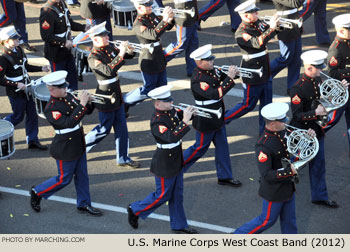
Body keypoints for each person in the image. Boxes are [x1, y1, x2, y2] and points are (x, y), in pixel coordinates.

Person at [30, 70, 103, 216]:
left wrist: (89, 103)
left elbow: (84, 112)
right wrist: (82, 105)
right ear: (51, 89)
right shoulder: (51, 108)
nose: (65, 89)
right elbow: (69, 123)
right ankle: (38, 192)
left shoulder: (68, 96)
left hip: (78, 142)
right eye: (61, 87)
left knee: (82, 176)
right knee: (64, 179)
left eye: (64, 86)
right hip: (65, 147)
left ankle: (84, 204)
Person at [127, 85, 198, 234]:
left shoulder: (169, 111)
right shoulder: (156, 121)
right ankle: (135, 209)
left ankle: (179, 225)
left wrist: (192, 113)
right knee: (162, 195)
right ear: (157, 103)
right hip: (165, 162)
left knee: (177, 194)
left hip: (176, 158)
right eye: (167, 101)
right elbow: (171, 137)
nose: (171, 103)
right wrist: (185, 120)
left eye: (170, 99)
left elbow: (179, 116)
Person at [289, 50, 347, 208]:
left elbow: (325, 95)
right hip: (303, 132)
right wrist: (314, 113)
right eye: (318, 68)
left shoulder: (318, 80)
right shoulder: (297, 89)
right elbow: (297, 116)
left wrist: (340, 88)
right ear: (309, 68)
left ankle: (319, 196)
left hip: (316, 129)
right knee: (295, 161)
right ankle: (274, 179)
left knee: (319, 165)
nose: (322, 70)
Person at [234, 102, 302, 234]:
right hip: (274, 191)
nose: (285, 122)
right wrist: (289, 171)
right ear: (272, 124)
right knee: (266, 221)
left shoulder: (282, 132)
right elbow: (266, 174)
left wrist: (308, 137)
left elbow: (291, 147)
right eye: (282, 121)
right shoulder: (263, 145)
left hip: (288, 187)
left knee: (290, 222)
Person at [182, 44, 242, 187]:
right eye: (208, 60)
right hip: (205, 118)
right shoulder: (198, 79)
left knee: (222, 147)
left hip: (217, 116)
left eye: (211, 59)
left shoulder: (212, 70)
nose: (212, 62)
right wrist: (230, 78)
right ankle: (176, 167)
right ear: (199, 62)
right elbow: (215, 94)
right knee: (200, 148)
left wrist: (235, 72)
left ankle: (225, 176)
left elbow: (224, 77)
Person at [84, 22, 140, 168]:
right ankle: (81, 146)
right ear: (95, 39)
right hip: (105, 94)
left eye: (106, 35)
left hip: (116, 92)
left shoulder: (109, 47)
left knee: (122, 128)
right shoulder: (93, 57)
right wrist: (121, 53)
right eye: (103, 36)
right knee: (104, 128)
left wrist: (129, 50)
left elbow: (126, 57)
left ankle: (123, 157)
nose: (107, 37)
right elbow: (109, 70)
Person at [224, 0, 279, 134]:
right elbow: (258, 43)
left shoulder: (257, 23)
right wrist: (272, 28)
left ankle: (264, 132)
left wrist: (277, 25)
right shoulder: (241, 33)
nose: (257, 13)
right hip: (253, 73)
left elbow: (269, 32)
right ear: (246, 15)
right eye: (254, 12)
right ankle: (223, 119)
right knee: (247, 105)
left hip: (265, 71)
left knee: (267, 106)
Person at [0, 26, 49, 150]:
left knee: (32, 113)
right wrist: (16, 84)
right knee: (18, 116)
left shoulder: (19, 50)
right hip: (15, 91)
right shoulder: (2, 58)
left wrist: (41, 69)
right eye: (14, 39)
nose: (18, 40)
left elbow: (25, 66)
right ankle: (2, 126)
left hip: (27, 86)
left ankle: (32, 140)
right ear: (6, 41)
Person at [123, 0, 174, 111]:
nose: (151, 6)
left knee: (162, 87)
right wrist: (165, 20)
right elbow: (153, 34)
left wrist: (170, 18)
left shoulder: (151, 15)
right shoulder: (138, 23)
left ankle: (163, 109)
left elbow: (165, 27)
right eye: (147, 5)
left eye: (150, 4)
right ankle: (126, 101)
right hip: (148, 59)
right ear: (140, 8)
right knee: (148, 89)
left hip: (159, 57)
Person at [40, 0, 88, 91]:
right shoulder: (47, 12)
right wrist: (63, 42)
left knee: (72, 80)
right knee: (59, 83)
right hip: (56, 53)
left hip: (67, 51)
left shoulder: (61, 3)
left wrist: (83, 27)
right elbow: (46, 36)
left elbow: (69, 23)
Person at [324, 14, 350, 156]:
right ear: (341, 31)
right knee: (332, 120)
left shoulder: (348, 41)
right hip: (340, 92)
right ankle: (312, 137)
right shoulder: (336, 49)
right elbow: (332, 74)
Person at [269, 0, 304, 94]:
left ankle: (293, 86)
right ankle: (265, 75)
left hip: (294, 24)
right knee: (286, 58)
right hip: (285, 27)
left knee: (296, 58)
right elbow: (295, 3)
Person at [163, 0, 199, 77]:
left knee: (193, 43)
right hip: (183, 8)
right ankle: (158, 60)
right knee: (181, 44)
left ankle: (192, 70)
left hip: (191, 7)